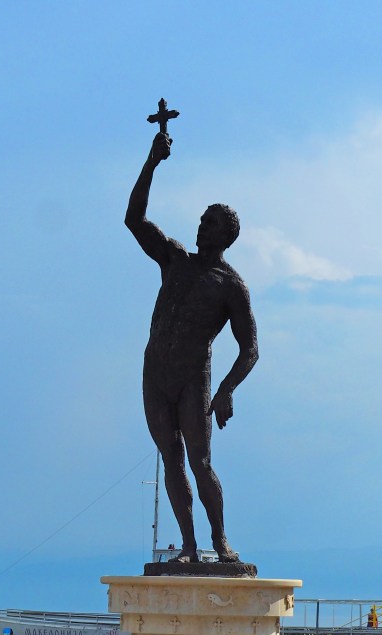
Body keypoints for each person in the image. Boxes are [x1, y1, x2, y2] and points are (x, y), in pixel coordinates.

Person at [126, 131, 258, 563]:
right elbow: (135, 220)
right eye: (202, 219)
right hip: (155, 373)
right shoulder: (175, 259)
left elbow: (250, 348)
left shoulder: (230, 285)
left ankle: (219, 542)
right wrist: (151, 162)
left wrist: (225, 391)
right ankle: (188, 547)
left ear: (227, 236)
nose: (202, 226)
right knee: (172, 460)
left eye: (211, 223)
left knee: (199, 462)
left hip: (192, 377)